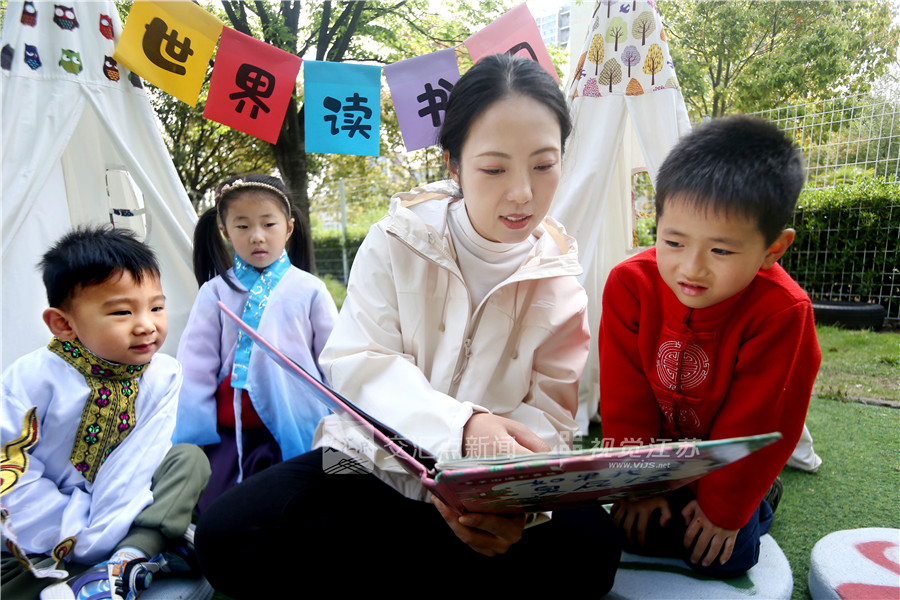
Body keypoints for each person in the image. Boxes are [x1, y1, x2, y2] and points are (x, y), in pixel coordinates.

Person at [194, 54, 622, 597]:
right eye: (494, 169)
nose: (522, 192)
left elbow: (550, 420)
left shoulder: (562, 283)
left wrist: (512, 505)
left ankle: (406, 565)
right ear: (454, 165)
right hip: (369, 463)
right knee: (228, 535)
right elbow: (359, 365)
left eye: (544, 165)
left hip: (485, 486)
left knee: (593, 550)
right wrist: (462, 429)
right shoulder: (396, 240)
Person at [598, 114, 822, 577]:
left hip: (730, 461)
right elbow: (625, 398)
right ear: (656, 223)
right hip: (662, 456)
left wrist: (726, 510)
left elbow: (762, 418)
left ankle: (763, 495)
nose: (691, 268)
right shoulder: (629, 285)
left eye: (721, 250)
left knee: (723, 556)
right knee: (624, 533)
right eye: (673, 241)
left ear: (773, 249)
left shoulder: (782, 312)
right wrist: (639, 487)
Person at [0, 225, 210, 599]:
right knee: (18, 576)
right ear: (63, 324)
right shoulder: (31, 379)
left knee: (189, 460)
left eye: (156, 307)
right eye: (122, 312)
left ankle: (125, 560)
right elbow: (13, 471)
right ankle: (143, 552)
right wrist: (77, 532)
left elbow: (143, 460)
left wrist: (107, 527)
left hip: (123, 505)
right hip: (44, 523)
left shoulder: (162, 374)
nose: (147, 325)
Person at [172, 174, 338, 513]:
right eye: (243, 226)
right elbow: (196, 367)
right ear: (225, 231)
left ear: (288, 228)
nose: (257, 236)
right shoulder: (215, 292)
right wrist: (192, 438)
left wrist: (344, 421)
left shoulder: (310, 289)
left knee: (311, 506)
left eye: (268, 224)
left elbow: (335, 361)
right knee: (223, 511)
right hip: (233, 433)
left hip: (302, 423)